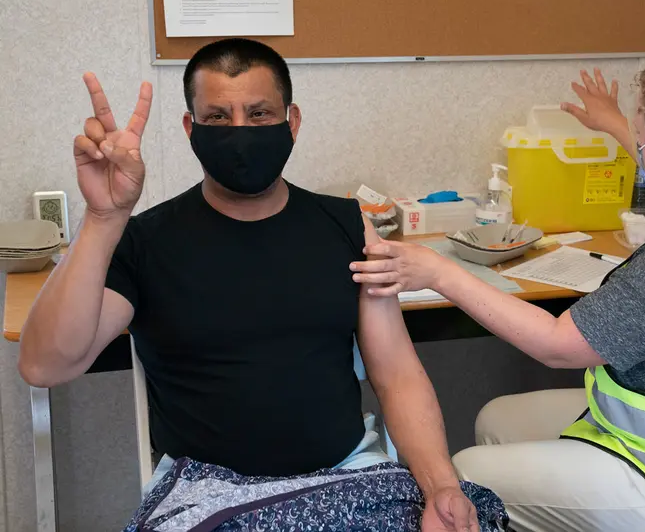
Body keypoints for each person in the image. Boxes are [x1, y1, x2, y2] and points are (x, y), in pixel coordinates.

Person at [19, 38, 480, 531]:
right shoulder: (143, 241)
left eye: (259, 114)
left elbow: (397, 375)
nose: (240, 133)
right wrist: (102, 217)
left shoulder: (346, 226)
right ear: (189, 128)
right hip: (207, 494)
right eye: (218, 118)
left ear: (293, 121)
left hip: (345, 476)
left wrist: (440, 485)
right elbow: (46, 364)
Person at [350, 48, 645, 532]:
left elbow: (557, 345)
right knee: (495, 420)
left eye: (640, 130)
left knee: (465, 480)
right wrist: (614, 124)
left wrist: (439, 272)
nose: (636, 138)